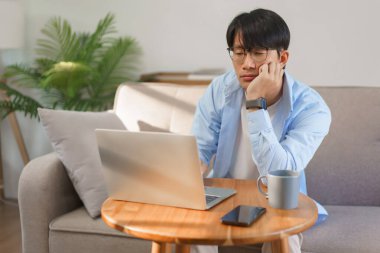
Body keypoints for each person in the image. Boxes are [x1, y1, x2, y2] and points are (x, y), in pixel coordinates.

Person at [191, 8, 331, 253]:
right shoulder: (219, 90)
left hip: (279, 205)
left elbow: (279, 174)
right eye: (239, 52)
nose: (246, 64)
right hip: (224, 198)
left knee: (284, 238)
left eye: (257, 53)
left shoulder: (312, 108)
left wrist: (255, 104)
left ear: (283, 58)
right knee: (189, 232)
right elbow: (198, 155)